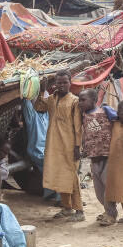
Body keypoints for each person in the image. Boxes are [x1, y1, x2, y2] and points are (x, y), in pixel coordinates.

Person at [35, 70, 84, 221]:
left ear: (70, 83)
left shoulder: (75, 101)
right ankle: (67, 208)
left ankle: (79, 211)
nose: (61, 85)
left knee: (71, 177)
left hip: (69, 145)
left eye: (65, 82)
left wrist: (77, 147)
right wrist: (41, 90)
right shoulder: (51, 99)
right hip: (54, 145)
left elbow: (78, 126)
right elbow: (38, 107)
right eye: (59, 82)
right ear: (54, 84)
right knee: (60, 176)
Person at [78, 89, 116, 225]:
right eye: (79, 100)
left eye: (83, 100)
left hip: (107, 157)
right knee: (99, 191)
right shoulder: (82, 115)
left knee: (109, 190)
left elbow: (121, 119)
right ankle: (107, 210)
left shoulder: (105, 111)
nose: (80, 103)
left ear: (94, 100)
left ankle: (111, 214)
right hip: (93, 159)